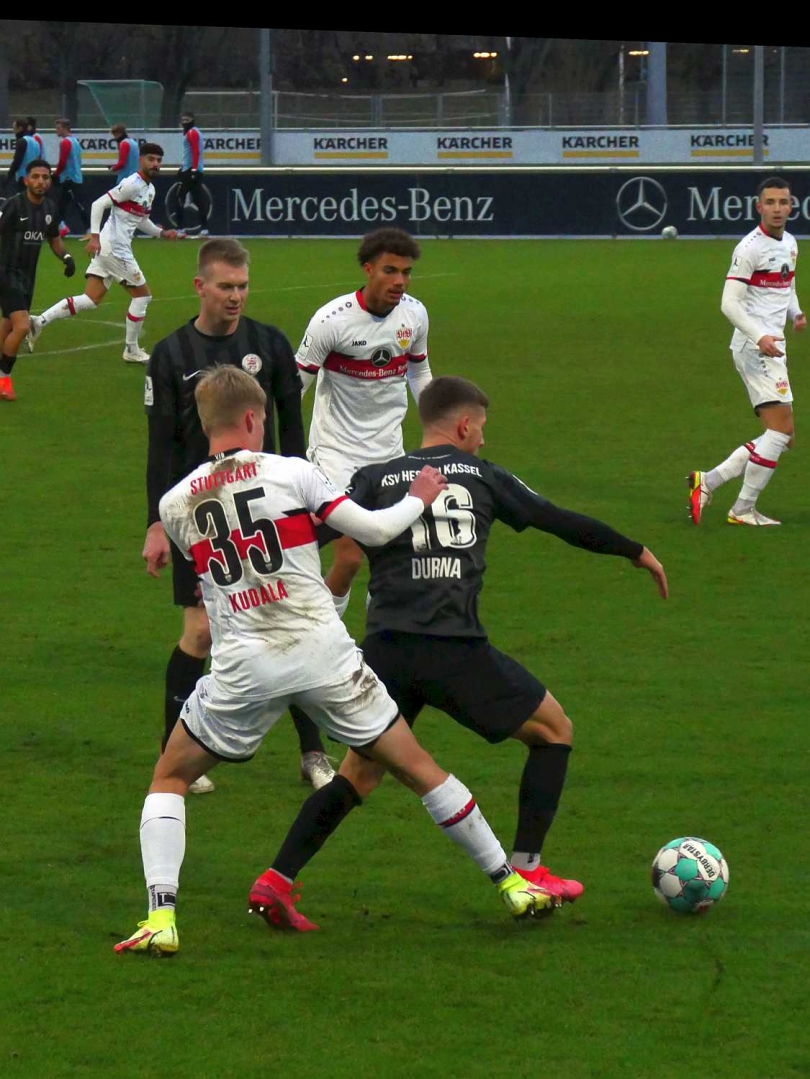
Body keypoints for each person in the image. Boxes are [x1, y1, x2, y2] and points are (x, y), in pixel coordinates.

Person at [115, 367, 558, 956]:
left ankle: (161, 918)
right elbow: (372, 529)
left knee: (170, 776)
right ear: (251, 418)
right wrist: (418, 498)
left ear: (205, 424)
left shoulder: (176, 503)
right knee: (419, 768)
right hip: (323, 655)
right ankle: (511, 883)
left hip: (244, 665)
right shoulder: (293, 472)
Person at [251, 375, 669, 929]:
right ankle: (530, 870)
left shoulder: (374, 478)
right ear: (465, 425)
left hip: (385, 652)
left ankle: (276, 881)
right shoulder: (485, 476)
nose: (484, 439)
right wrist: (633, 550)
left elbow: (308, 532)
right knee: (554, 731)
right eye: (482, 429)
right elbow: (558, 521)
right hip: (455, 651)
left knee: (359, 774)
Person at [141, 237, 335, 794]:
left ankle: (313, 753)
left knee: (289, 622)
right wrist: (155, 524)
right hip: (201, 516)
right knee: (201, 632)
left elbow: (291, 432)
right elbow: (159, 448)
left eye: (243, 286)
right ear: (199, 286)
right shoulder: (170, 354)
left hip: (265, 512)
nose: (236, 296)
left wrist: (306, 501)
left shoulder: (268, 344)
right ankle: (174, 754)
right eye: (225, 286)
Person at [295, 227, 432, 618]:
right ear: (368, 269)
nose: (400, 281)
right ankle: (323, 638)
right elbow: (294, 387)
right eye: (390, 271)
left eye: (406, 272)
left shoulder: (414, 314)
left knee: (393, 561)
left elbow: (419, 372)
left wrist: (435, 426)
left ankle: (380, 640)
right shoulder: (331, 321)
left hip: (389, 452)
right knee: (351, 558)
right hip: (336, 454)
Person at [688, 176, 805, 527]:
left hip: (772, 346)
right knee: (780, 433)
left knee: (783, 436)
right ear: (758, 207)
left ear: (791, 206)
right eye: (770, 202)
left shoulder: (790, 243)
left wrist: (796, 313)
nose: (777, 209)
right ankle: (741, 509)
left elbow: (787, 283)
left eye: (783, 202)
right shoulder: (748, 249)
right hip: (756, 348)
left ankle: (707, 482)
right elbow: (729, 303)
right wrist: (758, 337)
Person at [27, 142, 177, 365]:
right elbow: (98, 204)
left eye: (158, 160)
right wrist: (94, 237)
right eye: (151, 159)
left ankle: (39, 321)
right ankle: (132, 350)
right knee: (142, 296)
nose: (155, 164)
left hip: (110, 248)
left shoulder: (149, 190)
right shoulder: (132, 184)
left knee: (90, 299)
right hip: (114, 249)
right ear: (141, 160)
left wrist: (161, 233)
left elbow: (142, 220)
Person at [0, 160, 75, 402]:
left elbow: (53, 238)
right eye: (35, 176)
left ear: (50, 181)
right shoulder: (13, 205)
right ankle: (4, 380)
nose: (40, 181)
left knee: (7, 325)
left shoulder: (50, 208)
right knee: (22, 326)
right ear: (26, 180)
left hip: (27, 277)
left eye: (45, 177)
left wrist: (66, 257)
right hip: (5, 272)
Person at [53, 118, 91, 237]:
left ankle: (90, 230)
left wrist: (55, 174)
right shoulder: (75, 141)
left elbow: (62, 162)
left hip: (69, 179)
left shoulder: (65, 142)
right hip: (75, 177)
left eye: (58, 128)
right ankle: (62, 228)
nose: (56, 130)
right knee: (62, 205)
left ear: (64, 128)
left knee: (77, 205)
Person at [174, 112, 210, 236]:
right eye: (183, 120)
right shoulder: (196, 132)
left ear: (192, 120)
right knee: (198, 199)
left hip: (190, 170)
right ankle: (204, 228)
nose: (184, 122)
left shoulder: (191, 133)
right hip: (192, 169)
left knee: (179, 197)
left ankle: (180, 228)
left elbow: (195, 152)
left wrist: (193, 170)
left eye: (187, 120)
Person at [6, 119, 41, 194]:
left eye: (14, 128)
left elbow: (17, 161)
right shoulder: (35, 142)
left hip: (22, 177)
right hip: (33, 176)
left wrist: (10, 175)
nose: (13, 131)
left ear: (20, 128)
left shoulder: (22, 141)